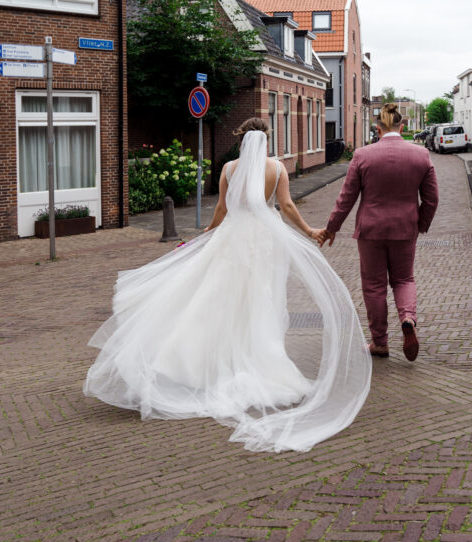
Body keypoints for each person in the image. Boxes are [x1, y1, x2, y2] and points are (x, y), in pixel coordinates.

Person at [84, 119, 371, 453]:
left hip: (233, 239)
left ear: (241, 139)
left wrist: (208, 231)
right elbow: (287, 206)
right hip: (264, 242)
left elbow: (221, 208)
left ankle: (210, 364)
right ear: (265, 140)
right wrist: (309, 232)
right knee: (261, 302)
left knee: (220, 301)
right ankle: (260, 359)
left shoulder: (229, 169)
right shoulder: (276, 168)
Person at [322, 103, 439, 361]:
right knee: (404, 279)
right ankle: (408, 318)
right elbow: (431, 198)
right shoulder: (421, 155)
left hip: (370, 230)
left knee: (374, 286)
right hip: (405, 228)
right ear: (403, 126)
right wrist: (420, 224)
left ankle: (380, 343)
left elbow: (346, 198)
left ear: (377, 129)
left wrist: (332, 228)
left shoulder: (363, 155)